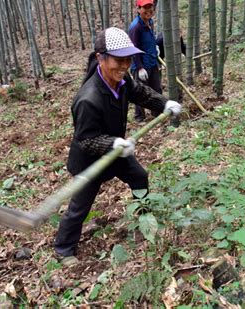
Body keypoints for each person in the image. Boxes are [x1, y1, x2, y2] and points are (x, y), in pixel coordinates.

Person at [54, 27, 182, 265]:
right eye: (118, 59)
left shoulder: (122, 81)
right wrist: (113, 142)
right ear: (100, 58)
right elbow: (87, 139)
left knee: (139, 177)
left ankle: (142, 224)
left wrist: (164, 103)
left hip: (117, 150)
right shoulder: (87, 99)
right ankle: (63, 249)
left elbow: (141, 93)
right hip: (91, 160)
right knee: (79, 208)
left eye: (127, 59)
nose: (124, 65)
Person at [129, 0, 161, 122]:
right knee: (141, 93)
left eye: (150, 7)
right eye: (144, 8)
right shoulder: (136, 27)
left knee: (156, 88)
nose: (148, 10)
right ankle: (139, 118)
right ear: (138, 9)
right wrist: (140, 68)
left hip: (152, 62)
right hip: (141, 65)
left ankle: (157, 113)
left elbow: (150, 39)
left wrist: (155, 48)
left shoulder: (150, 22)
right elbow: (133, 48)